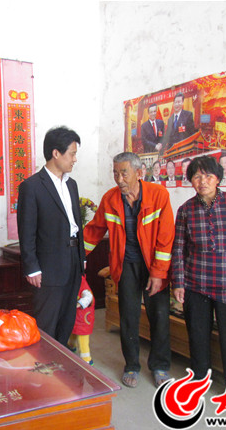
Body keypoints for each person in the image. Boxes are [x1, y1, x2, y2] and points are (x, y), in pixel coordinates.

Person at [172, 155, 226, 409]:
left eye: (208, 176)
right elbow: (179, 249)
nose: (202, 181)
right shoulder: (186, 210)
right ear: (191, 181)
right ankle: (199, 381)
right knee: (197, 334)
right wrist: (178, 282)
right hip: (196, 283)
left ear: (218, 179)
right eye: (196, 176)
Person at [84, 152, 174, 388]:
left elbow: (166, 238)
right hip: (125, 267)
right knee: (128, 317)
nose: (119, 179)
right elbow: (94, 231)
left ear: (139, 172)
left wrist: (158, 273)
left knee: (159, 316)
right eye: (115, 173)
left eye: (124, 173)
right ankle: (132, 365)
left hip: (153, 266)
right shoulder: (110, 198)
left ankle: (160, 366)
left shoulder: (159, 195)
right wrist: (76, 257)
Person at [17, 126, 85, 346]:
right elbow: (26, 231)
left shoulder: (71, 185)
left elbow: (76, 224)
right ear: (56, 153)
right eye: (72, 154)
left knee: (67, 317)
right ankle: (43, 363)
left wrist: (81, 257)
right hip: (49, 265)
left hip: (73, 260)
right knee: (47, 321)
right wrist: (31, 267)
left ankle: (60, 360)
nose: (75, 159)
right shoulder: (32, 186)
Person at [67, 275, 95, 365]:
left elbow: (88, 296)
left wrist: (79, 304)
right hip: (76, 315)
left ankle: (86, 358)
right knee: (73, 330)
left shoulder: (81, 283)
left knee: (82, 337)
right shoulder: (73, 280)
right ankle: (71, 345)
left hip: (83, 318)